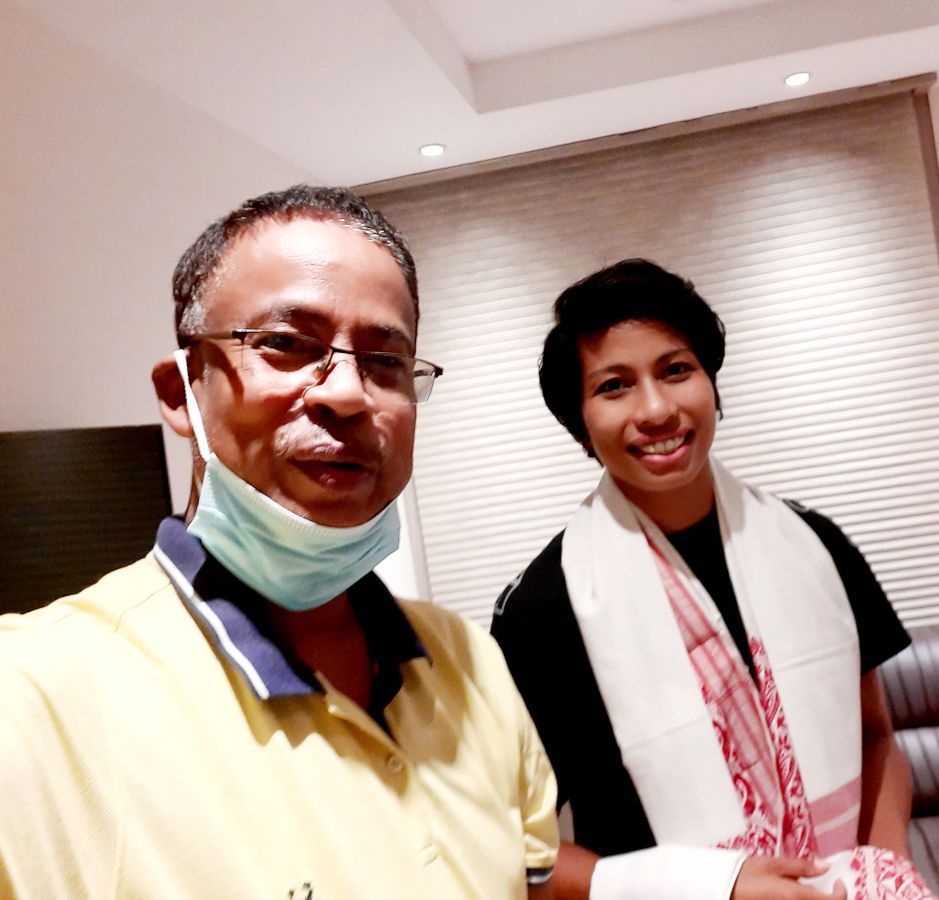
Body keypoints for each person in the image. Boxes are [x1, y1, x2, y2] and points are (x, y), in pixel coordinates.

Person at [0, 185, 558, 898]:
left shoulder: (468, 663)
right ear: (181, 391)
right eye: (287, 345)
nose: (347, 394)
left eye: (385, 361)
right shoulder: (38, 702)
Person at [491, 259, 930, 899]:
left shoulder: (816, 545)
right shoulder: (540, 610)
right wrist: (717, 885)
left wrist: (883, 870)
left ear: (712, 385)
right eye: (614, 386)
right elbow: (518, 845)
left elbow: (875, 736)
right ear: (580, 422)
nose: (656, 409)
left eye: (676, 370)